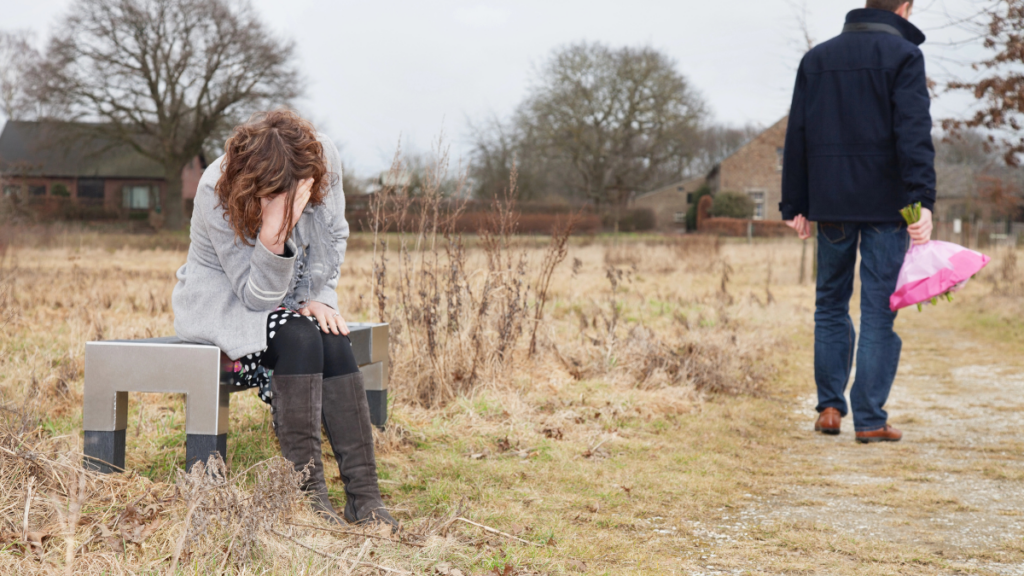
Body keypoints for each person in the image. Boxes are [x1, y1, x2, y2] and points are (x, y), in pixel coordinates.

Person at [172, 109, 397, 528]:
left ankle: (364, 498)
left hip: (290, 296)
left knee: (330, 335)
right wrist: (275, 230)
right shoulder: (213, 187)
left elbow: (334, 235)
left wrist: (320, 297)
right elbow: (255, 296)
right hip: (225, 302)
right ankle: (306, 495)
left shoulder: (321, 159)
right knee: (300, 339)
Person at [781, 0, 935, 444]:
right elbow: (913, 132)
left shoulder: (817, 58)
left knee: (829, 303)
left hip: (831, 203)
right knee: (877, 311)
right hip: (887, 207)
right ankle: (869, 419)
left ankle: (829, 408)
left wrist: (796, 202)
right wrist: (921, 199)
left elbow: (799, 134)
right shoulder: (904, 56)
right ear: (904, 7)